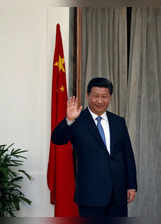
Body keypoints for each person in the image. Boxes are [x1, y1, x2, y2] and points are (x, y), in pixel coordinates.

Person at [51, 77, 137, 217]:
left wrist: (131, 185)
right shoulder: (78, 120)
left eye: (104, 96)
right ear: (88, 95)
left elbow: (128, 155)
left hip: (117, 194)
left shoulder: (118, 122)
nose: (99, 101)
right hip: (90, 195)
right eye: (95, 96)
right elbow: (57, 139)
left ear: (110, 97)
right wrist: (69, 120)